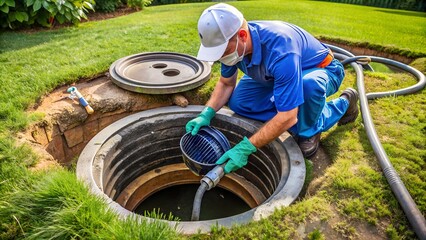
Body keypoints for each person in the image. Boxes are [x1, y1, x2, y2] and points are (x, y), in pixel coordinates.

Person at [186, 3, 359, 174]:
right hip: (273, 74)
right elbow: (226, 83)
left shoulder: (281, 49)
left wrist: (247, 147)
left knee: (305, 93)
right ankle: (293, 113)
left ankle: (337, 109)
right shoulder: (238, 48)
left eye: (222, 50)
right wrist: (206, 113)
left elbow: (288, 117)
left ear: (243, 35)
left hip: (320, 70)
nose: (220, 56)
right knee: (239, 103)